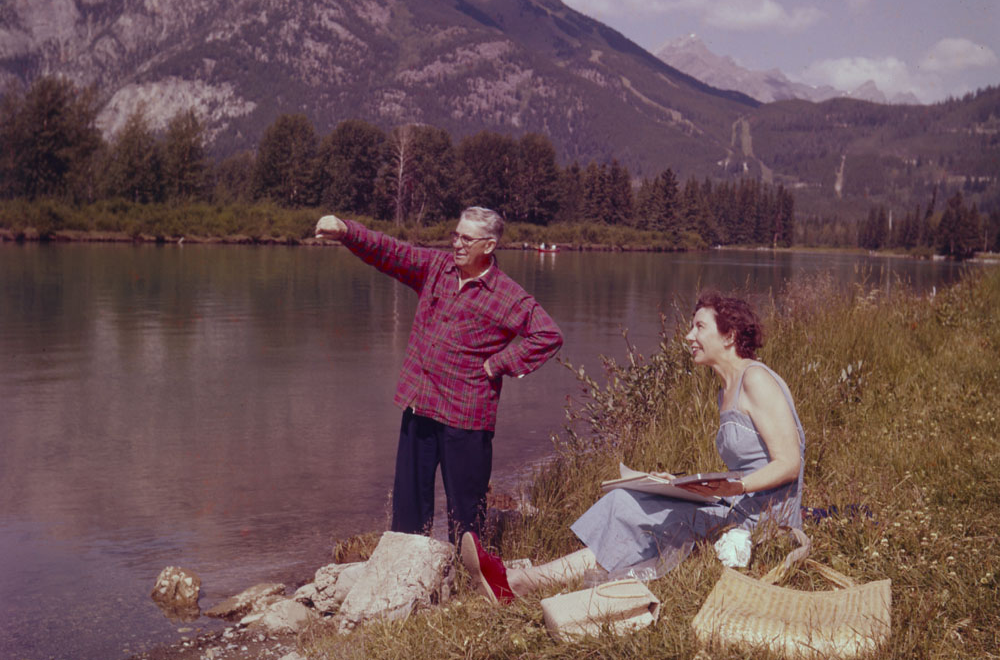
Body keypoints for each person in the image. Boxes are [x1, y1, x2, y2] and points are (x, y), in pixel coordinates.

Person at [461, 291, 804, 602]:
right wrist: (678, 484)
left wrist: (734, 485)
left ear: (728, 336)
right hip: (736, 499)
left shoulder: (756, 379)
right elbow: (747, 465)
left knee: (640, 513)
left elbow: (789, 463)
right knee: (628, 498)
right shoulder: (724, 390)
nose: (689, 336)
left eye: (699, 327)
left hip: (764, 515)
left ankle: (519, 582)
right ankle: (518, 580)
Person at [314, 206, 563, 542]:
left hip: (467, 416)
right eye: (456, 235)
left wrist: (498, 363)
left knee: (466, 513)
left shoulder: (508, 295)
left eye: (467, 239)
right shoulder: (436, 268)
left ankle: (466, 579)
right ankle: (407, 573)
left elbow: (548, 335)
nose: (457, 244)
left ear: (488, 246)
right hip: (420, 404)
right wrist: (347, 231)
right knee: (409, 508)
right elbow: (390, 252)